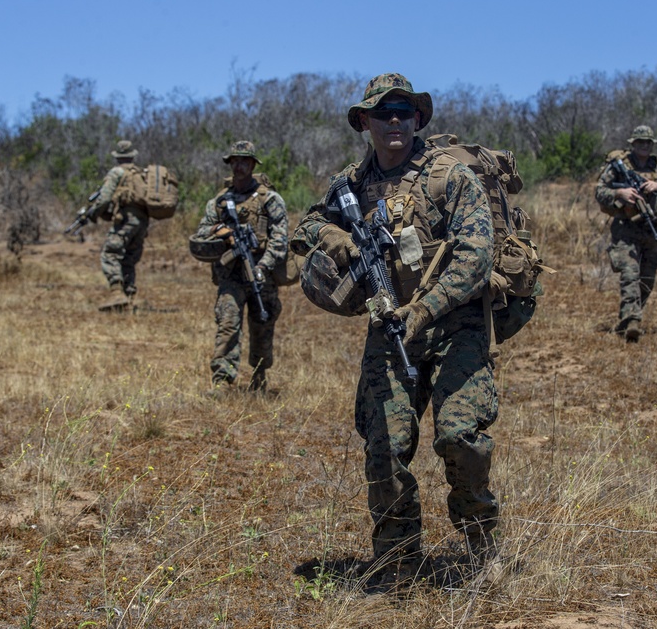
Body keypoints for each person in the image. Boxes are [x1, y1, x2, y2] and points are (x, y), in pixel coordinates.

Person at [291, 73, 499, 584]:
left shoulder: (448, 177)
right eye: (383, 113)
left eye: (403, 112)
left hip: (457, 325)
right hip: (388, 327)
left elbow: (476, 257)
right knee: (384, 444)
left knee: (459, 437)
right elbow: (305, 229)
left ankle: (482, 548)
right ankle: (397, 560)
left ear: (417, 119)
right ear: (364, 122)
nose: (394, 122)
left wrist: (424, 310)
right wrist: (339, 238)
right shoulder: (352, 184)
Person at [194, 141, 288, 391]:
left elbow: (280, 239)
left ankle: (259, 377)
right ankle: (222, 380)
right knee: (227, 323)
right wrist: (220, 230)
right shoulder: (220, 201)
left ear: (253, 164)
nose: (239, 165)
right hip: (231, 275)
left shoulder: (270, 199)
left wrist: (263, 266)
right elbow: (201, 232)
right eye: (234, 161)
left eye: (244, 161)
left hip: (261, 274)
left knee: (262, 325)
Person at [595, 125, 657, 342]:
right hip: (625, 228)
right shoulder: (617, 167)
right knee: (629, 274)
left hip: (652, 227)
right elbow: (599, 191)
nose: (644, 146)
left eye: (648, 143)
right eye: (639, 142)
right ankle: (632, 321)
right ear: (632, 144)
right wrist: (620, 192)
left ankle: (627, 319)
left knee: (647, 278)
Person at [89, 140, 151, 312]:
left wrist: (94, 213)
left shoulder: (116, 172)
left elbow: (105, 198)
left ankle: (116, 292)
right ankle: (130, 296)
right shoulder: (141, 173)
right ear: (132, 155)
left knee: (110, 253)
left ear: (117, 156)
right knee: (129, 259)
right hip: (142, 223)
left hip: (125, 220)